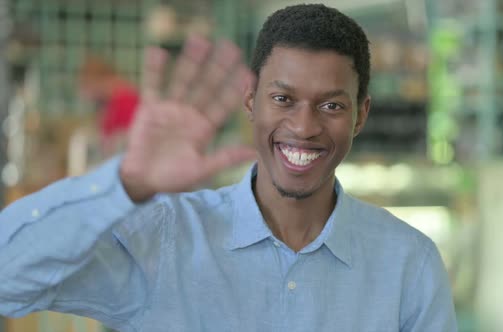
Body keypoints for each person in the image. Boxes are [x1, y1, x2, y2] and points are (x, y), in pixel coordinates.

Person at [0, 4, 457, 332]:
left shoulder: (408, 263)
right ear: (250, 101)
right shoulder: (167, 237)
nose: (304, 126)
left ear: (360, 114)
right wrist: (127, 183)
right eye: (282, 99)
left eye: (332, 105)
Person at [79, 55, 140, 155]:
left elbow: (126, 142)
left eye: (87, 85)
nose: (88, 95)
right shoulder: (110, 103)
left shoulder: (126, 101)